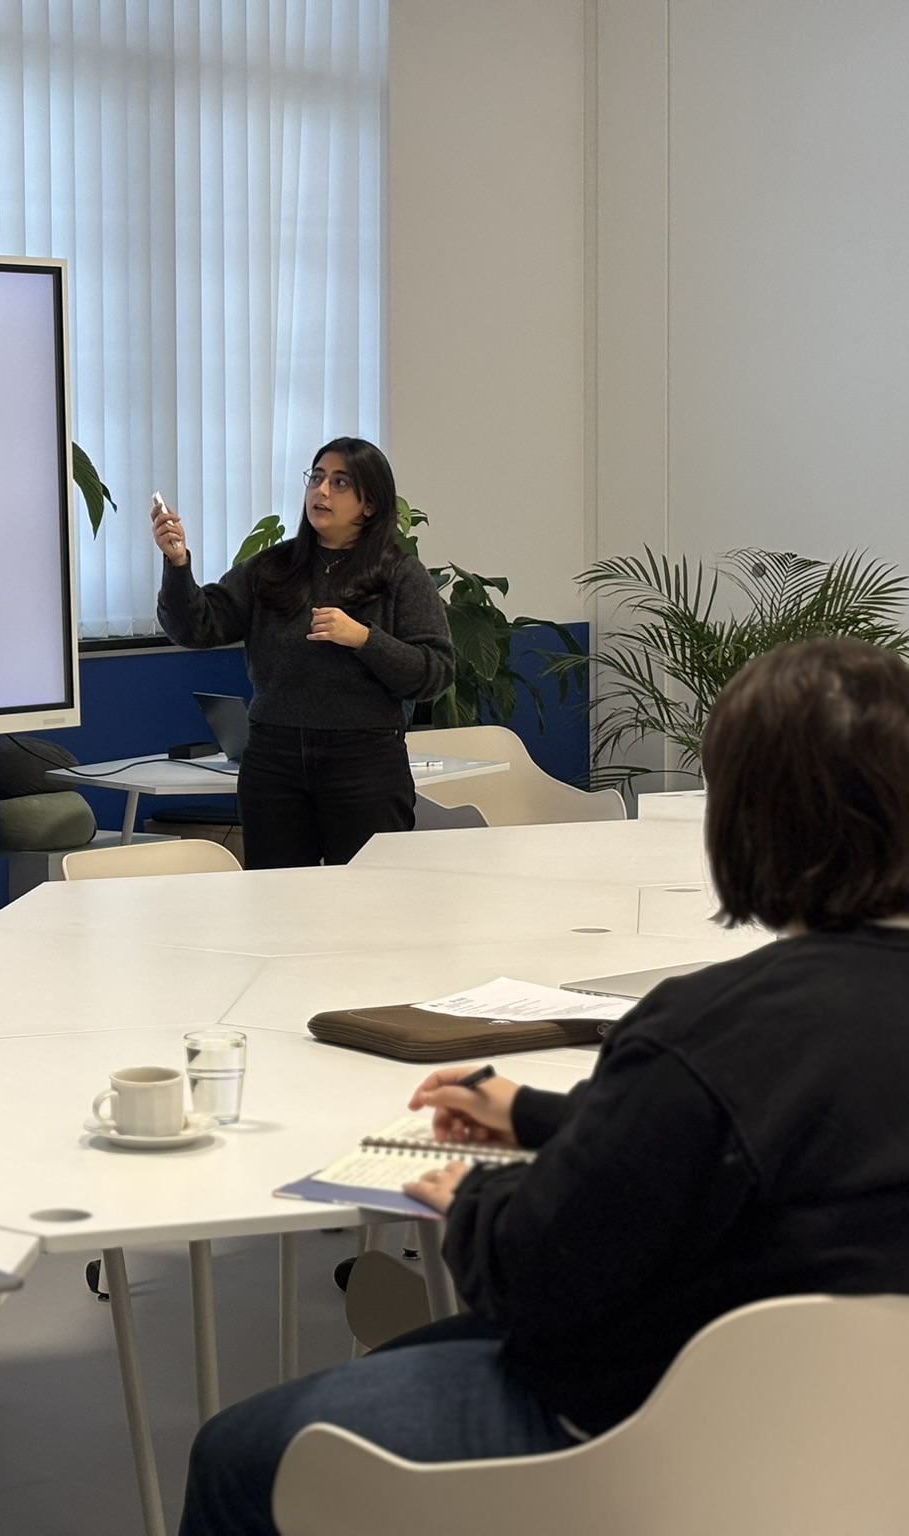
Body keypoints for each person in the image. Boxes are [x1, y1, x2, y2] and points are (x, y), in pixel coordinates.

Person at [178, 635, 909, 1536]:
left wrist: (469, 1196)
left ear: (746, 821)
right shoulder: (731, 1055)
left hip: (657, 1436)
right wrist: (533, 1113)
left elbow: (540, 1275)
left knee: (238, 1455)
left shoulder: (708, 1031)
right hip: (876, 1451)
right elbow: (765, 1140)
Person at [152, 439, 454, 868]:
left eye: (340, 483)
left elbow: (435, 671)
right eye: (317, 478)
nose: (322, 491)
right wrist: (178, 565)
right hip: (274, 759)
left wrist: (364, 639)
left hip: (363, 759)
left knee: (369, 894)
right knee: (276, 896)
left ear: (370, 504)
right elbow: (197, 627)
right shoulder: (271, 568)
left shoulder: (400, 575)